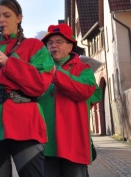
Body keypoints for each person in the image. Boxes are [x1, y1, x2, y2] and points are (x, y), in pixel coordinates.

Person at [0, 0, 55, 177]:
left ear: (19, 18)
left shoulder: (34, 46)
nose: (1, 20)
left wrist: (9, 63)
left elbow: (40, 85)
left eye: (7, 15)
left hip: (25, 124)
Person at [39, 23, 100, 177]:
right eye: (50, 43)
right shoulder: (39, 68)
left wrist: (55, 74)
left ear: (70, 47)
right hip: (46, 143)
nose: (53, 46)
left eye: (59, 42)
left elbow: (87, 91)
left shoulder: (83, 69)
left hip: (73, 141)